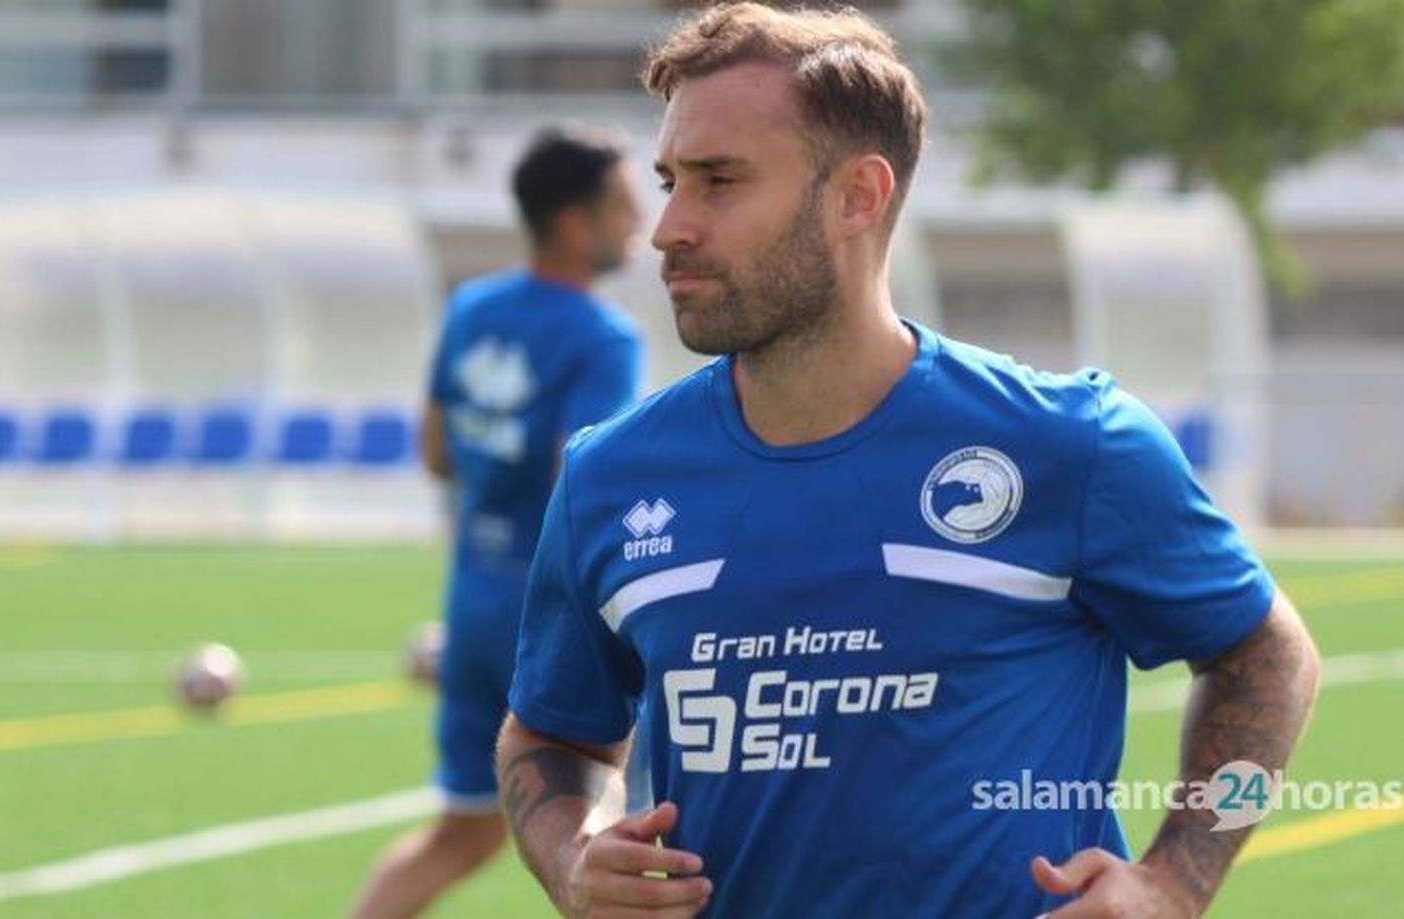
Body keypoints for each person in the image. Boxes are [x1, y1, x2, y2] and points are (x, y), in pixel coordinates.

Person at [494, 5, 1321, 919]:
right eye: (669, 180)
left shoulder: (1068, 442)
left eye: (720, 180)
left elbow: (1267, 657)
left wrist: (1177, 881)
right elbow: (550, 731)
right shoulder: (611, 475)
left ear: (858, 194)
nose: (669, 227)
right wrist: (572, 853)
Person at [348, 126, 645, 919]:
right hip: (552, 618)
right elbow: (583, 481)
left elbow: (438, 450)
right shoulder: (601, 336)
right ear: (577, 222)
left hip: (474, 599)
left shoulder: (474, 307)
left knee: (463, 833)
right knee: (628, 838)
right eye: (623, 204)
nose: (641, 220)